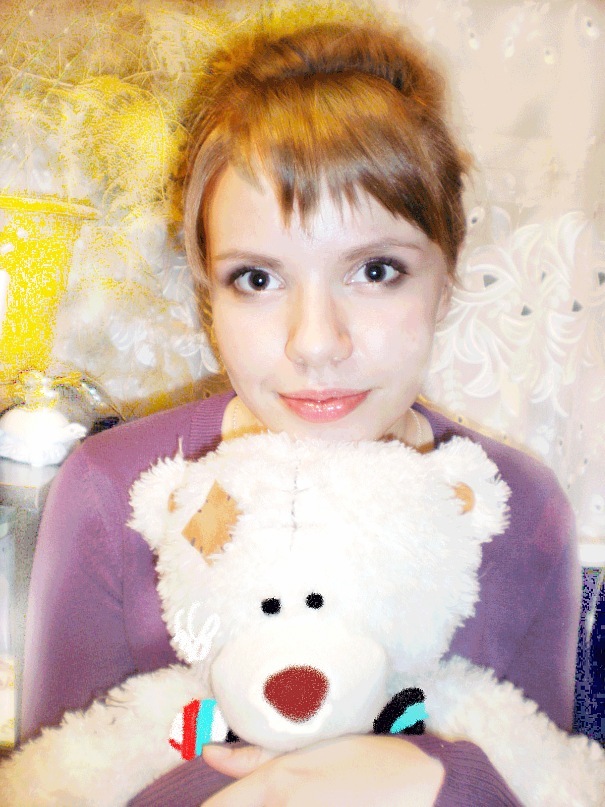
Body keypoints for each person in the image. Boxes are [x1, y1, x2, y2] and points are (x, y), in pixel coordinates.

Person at [21, 17, 581, 806]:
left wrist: (438, 778)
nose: (315, 343)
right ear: (208, 293)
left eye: (374, 270)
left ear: (447, 272)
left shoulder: (519, 510)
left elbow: (547, 776)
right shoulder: (112, 492)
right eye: (257, 279)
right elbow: (52, 784)